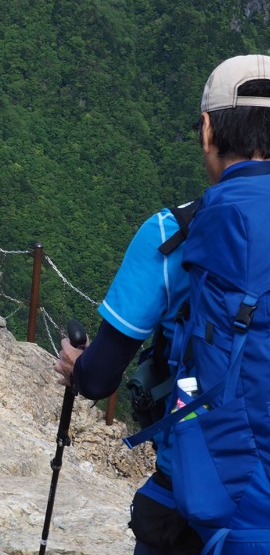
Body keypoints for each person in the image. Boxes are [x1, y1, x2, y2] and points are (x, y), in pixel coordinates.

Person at [54, 54, 270, 555]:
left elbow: (101, 377)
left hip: (195, 500)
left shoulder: (175, 233)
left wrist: (76, 366)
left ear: (208, 130)